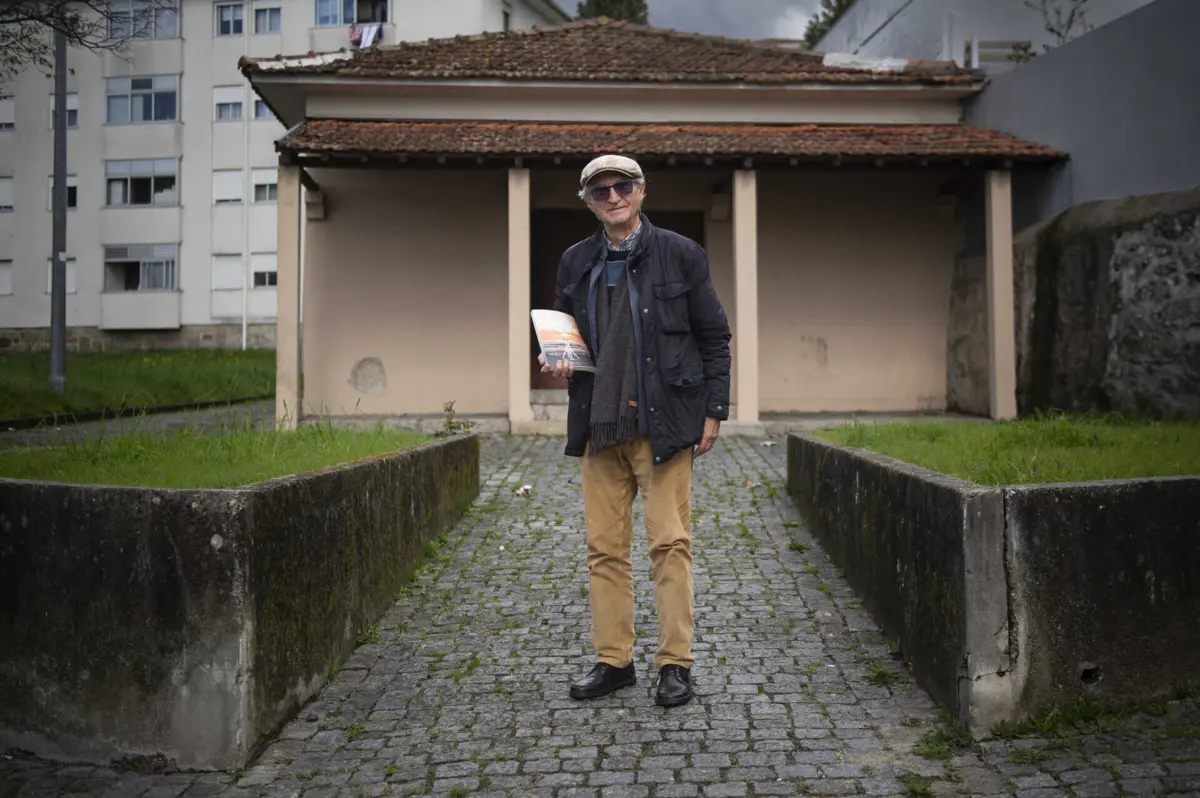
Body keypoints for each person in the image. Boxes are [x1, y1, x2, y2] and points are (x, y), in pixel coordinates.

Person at [538, 154, 732, 708]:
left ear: (641, 190)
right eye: (601, 191)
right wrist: (557, 358)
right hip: (600, 426)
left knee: (670, 545)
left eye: (622, 186)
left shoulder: (680, 253)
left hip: (663, 423)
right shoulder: (576, 261)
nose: (613, 196)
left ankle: (675, 664)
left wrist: (713, 409)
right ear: (589, 201)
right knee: (604, 551)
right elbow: (565, 333)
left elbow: (714, 336)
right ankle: (613, 661)